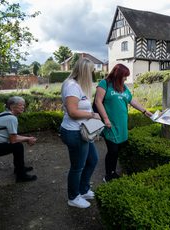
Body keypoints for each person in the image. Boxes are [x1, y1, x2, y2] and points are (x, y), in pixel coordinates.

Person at [94, 64, 153, 182]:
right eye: (124, 76)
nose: (126, 79)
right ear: (118, 75)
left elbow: (131, 100)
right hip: (110, 123)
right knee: (113, 150)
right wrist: (105, 119)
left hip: (122, 124)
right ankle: (108, 175)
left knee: (117, 149)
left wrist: (144, 111)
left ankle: (113, 172)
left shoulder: (123, 87)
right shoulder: (104, 84)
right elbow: (98, 101)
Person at [60, 58, 101, 209]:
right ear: (85, 72)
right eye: (91, 72)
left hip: (83, 131)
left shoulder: (78, 86)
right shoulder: (71, 86)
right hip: (74, 132)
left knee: (93, 160)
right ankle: (73, 197)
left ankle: (83, 190)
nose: (93, 74)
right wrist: (92, 115)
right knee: (77, 167)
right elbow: (72, 112)